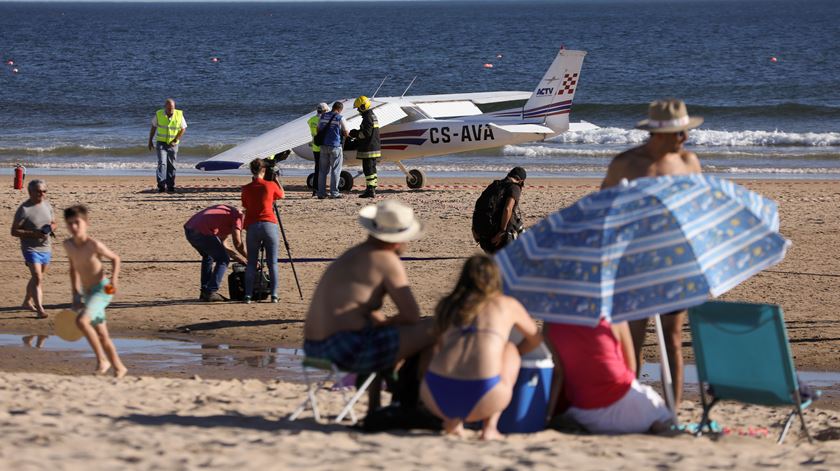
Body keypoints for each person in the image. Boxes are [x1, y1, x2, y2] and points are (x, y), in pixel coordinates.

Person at [601, 98, 703, 407]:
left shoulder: (688, 162)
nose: (684, 138)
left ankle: (671, 409)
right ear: (658, 133)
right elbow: (602, 209)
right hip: (634, 262)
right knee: (633, 338)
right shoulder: (628, 164)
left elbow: (698, 208)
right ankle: (628, 404)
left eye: (685, 132)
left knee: (672, 338)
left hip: (675, 262)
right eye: (678, 133)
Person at [304, 200, 434, 374]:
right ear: (398, 240)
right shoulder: (386, 259)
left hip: (313, 348)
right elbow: (412, 316)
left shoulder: (352, 254)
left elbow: (356, 304)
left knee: (387, 332)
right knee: (437, 325)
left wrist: (384, 322)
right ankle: (416, 393)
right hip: (346, 349)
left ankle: (381, 395)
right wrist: (391, 322)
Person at [420, 254, 541, 440]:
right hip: (486, 396)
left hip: (435, 395)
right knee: (509, 349)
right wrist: (511, 353)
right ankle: (490, 428)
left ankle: (453, 422)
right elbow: (535, 339)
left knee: (443, 346)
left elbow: (440, 346)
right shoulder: (506, 304)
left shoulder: (448, 305)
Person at [546, 320, 674, 434]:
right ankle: (656, 425)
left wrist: (548, 416)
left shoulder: (550, 323)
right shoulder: (613, 318)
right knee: (656, 407)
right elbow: (631, 369)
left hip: (584, 413)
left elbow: (559, 374)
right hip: (627, 408)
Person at [63, 205, 127, 378]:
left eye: (77, 222)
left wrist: (114, 279)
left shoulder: (93, 245)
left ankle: (102, 361)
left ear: (86, 223)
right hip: (87, 292)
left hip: (104, 289)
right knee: (102, 334)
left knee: (82, 322)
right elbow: (72, 269)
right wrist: (75, 293)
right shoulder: (68, 245)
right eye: (70, 224)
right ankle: (119, 367)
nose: (74, 227)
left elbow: (115, 258)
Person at [241, 158, 285, 303]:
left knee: (251, 263)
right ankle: (274, 294)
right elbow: (282, 195)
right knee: (272, 263)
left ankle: (248, 295)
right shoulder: (270, 185)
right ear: (263, 170)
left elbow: (245, 205)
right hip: (269, 225)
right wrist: (277, 180)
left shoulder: (246, 188)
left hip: (252, 226)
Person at [184, 204, 248, 302]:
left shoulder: (229, 215)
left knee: (208, 255)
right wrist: (252, 259)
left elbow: (224, 245)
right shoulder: (239, 217)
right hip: (201, 231)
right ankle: (211, 291)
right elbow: (238, 244)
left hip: (190, 228)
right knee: (223, 259)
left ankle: (205, 291)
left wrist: (242, 260)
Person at [11, 179, 55, 319]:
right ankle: (40, 309)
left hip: (46, 247)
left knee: (38, 278)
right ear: (30, 192)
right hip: (30, 248)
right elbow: (14, 231)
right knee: (37, 277)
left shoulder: (47, 205)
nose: (41, 194)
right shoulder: (24, 209)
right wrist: (33, 234)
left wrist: (51, 228)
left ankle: (26, 301)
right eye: (38, 191)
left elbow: (54, 223)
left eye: (44, 191)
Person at [472, 167, 526, 254]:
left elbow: (479, 205)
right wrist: (502, 232)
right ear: (521, 181)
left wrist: (474, 229)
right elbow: (508, 209)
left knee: (517, 223)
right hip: (499, 241)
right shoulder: (514, 187)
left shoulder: (495, 185)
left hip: (485, 240)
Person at [147, 98, 187, 193]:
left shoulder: (179, 115)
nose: (170, 110)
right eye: (169, 108)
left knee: (171, 165)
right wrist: (150, 140)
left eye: (172, 108)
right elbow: (153, 127)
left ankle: (170, 186)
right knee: (162, 163)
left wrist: (176, 139)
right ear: (165, 107)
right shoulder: (159, 114)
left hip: (173, 144)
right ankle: (161, 186)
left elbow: (183, 128)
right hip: (161, 143)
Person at [316, 101, 349, 199]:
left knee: (322, 171)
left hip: (323, 146)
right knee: (335, 170)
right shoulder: (340, 117)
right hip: (335, 146)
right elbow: (346, 132)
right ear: (340, 109)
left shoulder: (323, 116)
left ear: (333, 107)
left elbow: (318, 130)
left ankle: (321, 193)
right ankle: (334, 193)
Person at [351, 95, 381, 199]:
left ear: (363, 107)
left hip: (368, 149)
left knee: (368, 170)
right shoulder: (373, 116)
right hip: (374, 147)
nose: (358, 110)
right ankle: (372, 188)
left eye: (359, 108)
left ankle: (370, 190)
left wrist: (355, 134)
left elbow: (366, 134)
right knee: (372, 169)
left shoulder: (367, 118)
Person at [308, 103, 330, 197]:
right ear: (325, 111)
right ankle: (321, 189)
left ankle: (315, 190)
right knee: (323, 170)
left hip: (315, 147)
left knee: (317, 168)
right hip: (323, 147)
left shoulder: (311, 120)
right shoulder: (324, 120)